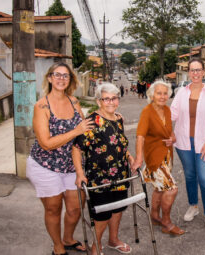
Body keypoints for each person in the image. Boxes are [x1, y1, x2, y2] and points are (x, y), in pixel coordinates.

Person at [26, 62, 93, 255]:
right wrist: (76, 131)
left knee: (75, 209)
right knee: (53, 209)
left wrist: (108, 119)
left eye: (65, 76)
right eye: (57, 75)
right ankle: (58, 247)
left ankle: (68, 239)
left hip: (72, 165)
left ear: (70, 79)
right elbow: (46, 143)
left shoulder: (74, 102)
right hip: (45, 166)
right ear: (49, 78)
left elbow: (84, 131)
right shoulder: (41, 106)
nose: (61, 79)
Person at [72, 83, 134, 255]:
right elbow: (77, 148)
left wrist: (130, 157)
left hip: (120, 174)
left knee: (118, 208)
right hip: (99, 178)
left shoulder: (119, 118)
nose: (111, 102)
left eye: (114, 98)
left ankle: (113, 239)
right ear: (99, 102)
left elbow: (119, 143)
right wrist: (79, 173)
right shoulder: (92, 122)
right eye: (106, 99)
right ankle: (96, 246)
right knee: (102, 215)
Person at [171, 58, 205, 232]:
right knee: (190, 176)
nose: (195, 73)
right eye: (192, 70)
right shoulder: (181, 92)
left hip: (204, 143)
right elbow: (172, 114)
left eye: (198, 70)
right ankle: (193, 206)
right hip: (183, 142)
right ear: (188, 72)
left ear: (204, 72)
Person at [131, 80, 185, 236]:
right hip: (154, 156)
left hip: (167, 155)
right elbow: (140, 136)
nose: (162, 96)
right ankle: (166, 223)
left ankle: (154, 216)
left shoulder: (167, 110)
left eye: (165, 93)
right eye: (158, 93)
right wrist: (139, 158)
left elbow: (169, 131)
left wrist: (173, 138)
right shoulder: (147, 112)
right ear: (151, 95)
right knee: (171, 189)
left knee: (159, 188)